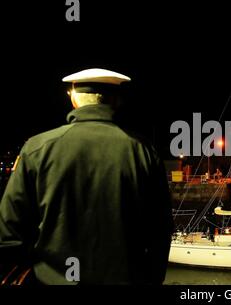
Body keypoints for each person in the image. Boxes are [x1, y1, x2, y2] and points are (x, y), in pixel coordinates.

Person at [0, 68, 173, 285]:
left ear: (73, 98)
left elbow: (9, 231)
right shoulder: (143, 151)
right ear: (116, 101)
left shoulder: (37, 148)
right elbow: (160, 230)